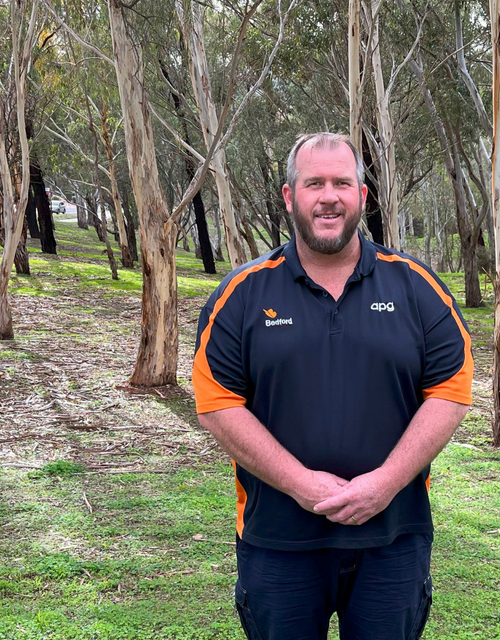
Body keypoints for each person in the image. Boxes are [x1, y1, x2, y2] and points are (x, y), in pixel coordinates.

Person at [192, 132, 472, 640]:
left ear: (362, 197)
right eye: (314, 182)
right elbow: (216, 403)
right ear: (289, 195)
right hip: (278, 541)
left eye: (342, 182)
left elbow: (451, 391)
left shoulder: (417, 287)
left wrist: (385, 483)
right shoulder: (241, 293)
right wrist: (302, 484)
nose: (329, 196)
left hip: (394, 539)